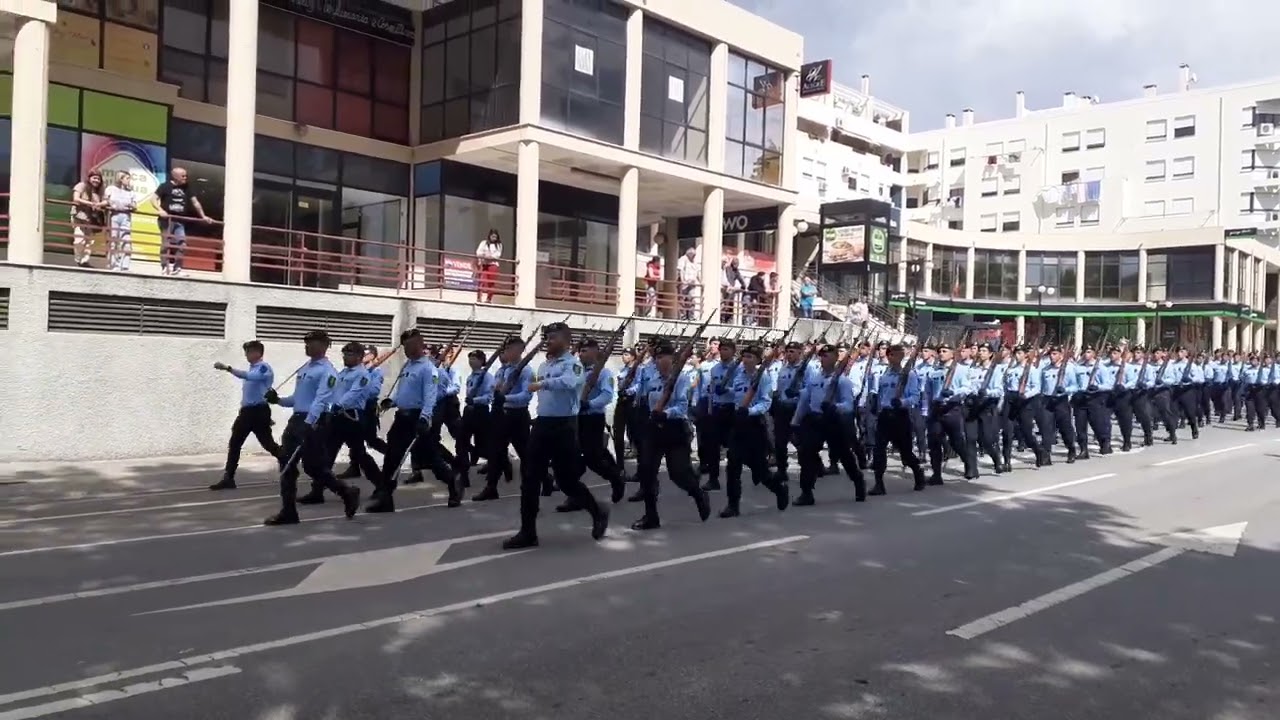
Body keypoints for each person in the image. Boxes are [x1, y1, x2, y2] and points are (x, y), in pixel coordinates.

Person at [501, 322, 609, 550]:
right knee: (530, 478)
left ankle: (597, 510)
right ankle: (528, 532)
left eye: (552, 337)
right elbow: (536, 395)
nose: (548, 341)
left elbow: (570, 383)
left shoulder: (574, 365)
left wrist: (543, 384)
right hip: (542, 425)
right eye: (547, 337)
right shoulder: (543, 365)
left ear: (566, 341)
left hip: (564, 427)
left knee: (567, 481)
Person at [262, 331, 361, 525]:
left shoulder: (328, 372)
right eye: (306, 342)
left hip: (312, 421)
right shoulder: (305, 368)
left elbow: (321, 399)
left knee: (312, 466)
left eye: (311, 342)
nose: (307, 346)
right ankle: (289, 511)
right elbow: (299, 399)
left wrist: (310, 422)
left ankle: (346, 491)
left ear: (324, 345)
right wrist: (278, 400)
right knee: (290, 463)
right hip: (297, 419)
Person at [367, 328, 460, 513]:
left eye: (410, 345)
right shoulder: (408, 366)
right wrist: (391, 401)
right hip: (402, 418)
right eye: (405, 346)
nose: (407, 350)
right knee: (392, 458)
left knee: (432, 460)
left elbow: (430, 396)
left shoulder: (429, 369)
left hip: (418, 418)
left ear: (420, 344)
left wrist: (425, 418)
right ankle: (386, 499)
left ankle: (453, 484)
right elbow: (404, 392)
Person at [629, 339, 711, 531]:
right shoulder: (651, 377)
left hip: (674, 428)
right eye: (656, 357)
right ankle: (651, 516)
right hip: (653, 428)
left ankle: (698, 494)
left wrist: (666, 413)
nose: (659, 361)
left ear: (671, 357)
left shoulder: (681, 378)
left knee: (678, 473)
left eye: (662, 356)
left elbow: (682, 405)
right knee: (647, 472)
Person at [791, 344, 864, 505]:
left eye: (828, 356)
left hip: (833, 421)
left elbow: (848, 405)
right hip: (815, 420)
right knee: (807, 453)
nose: (824, 359)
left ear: (836, 358)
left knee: (844, 454)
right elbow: (805, 401)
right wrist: (796, 422)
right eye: (822, 356)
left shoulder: (842, 381)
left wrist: (834, 407)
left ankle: (858, 481)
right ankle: (806, 492)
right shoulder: (814, 379)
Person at [721, 344, 789, 517]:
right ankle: (733, 505)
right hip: (738, 425)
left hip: (754, 425)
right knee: (733, 465)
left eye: (750, 357)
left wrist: (750, 411)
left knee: (760, 471)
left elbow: (766, 402)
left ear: (758, 360)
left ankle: (779, 489)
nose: (746, 360)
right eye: (744, 356)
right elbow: (737, 395)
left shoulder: (763, 377)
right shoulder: (738, 376)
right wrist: (724, 392)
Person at [561, 338, 628, 510]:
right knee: (571, 458)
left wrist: (589, 404)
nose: (581, 354)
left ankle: (615, 478)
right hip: (576, 418)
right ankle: (575, 496)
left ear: (595, 352)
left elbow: (607, 395)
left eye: (585, 351)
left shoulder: (603, 373)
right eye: (580, 351)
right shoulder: (576, 371)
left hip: (592, 418)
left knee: (593, 458)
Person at [211, 340, 283, 490]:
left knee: (266, 444)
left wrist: (228, 368)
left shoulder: (263, 368)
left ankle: (288, 461)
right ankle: (228, 477)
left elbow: (251, 377)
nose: (246, 355)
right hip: (248, 412)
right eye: (246, 352)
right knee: (236, 442)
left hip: (258, 411)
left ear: (258, 352)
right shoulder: (252, 369)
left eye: (249, 351)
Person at [474, 335, 536, 501]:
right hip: (502, 415)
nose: (507, 352)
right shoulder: (505, 370)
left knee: (525, 453)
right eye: (506, 349)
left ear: (520, 350)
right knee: (496, 452)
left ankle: (540, 481)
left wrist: (506, 398)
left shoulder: (528, 371)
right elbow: (495, 387)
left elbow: (526, 396)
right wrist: (497, 391)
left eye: (510, 349)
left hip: (518, 415)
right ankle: (491, 488)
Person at [871, 344, 927, 494]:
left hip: (900, 416)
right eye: (895, 354)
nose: (899, 357)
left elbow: (915, 397)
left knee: (906, 453)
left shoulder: (909, 374)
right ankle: (878, 484)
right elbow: (881, 395)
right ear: (889, 356)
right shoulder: (885, 374)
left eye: (901, 354)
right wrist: (877, 409)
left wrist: (902, 402)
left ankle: (918, 473)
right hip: (885, 416)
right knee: (879, 450)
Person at [152, 167, 213, 276]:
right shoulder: (165, 186)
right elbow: (153, 199)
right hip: (167, 220)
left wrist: (203, 216)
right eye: (183, 176)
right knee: (166, 244)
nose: (185, 178)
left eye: (185, 175)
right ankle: (164, 268)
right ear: (175, 177)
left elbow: (195, 203)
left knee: (182, 244)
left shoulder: (187, 187)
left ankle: (177, 268)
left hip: (180, 221)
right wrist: (160, 210)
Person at [71, 171, 106, 267]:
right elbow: (76, 198)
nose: (96, 180)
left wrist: (99, 204)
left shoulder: (99, 191)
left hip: (92, 219)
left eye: (98, 179)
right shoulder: (81, 185)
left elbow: (106, 201)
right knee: (79, 239)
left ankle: (84, 261)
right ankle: (78, 260)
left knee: (89, 242)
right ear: (89, 178)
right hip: (80, 216)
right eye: (94, 178)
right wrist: (89, 203)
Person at [104, 171, 137, 271]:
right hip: (114, 215)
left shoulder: (131, 192)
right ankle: (114, 265)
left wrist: (132, 206)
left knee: (126, 240)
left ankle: (125, 265)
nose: (129, 181)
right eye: (127, 178)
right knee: (114, 239)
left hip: (126, 216)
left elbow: (135, 206)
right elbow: (106, 201)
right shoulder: (111, 189)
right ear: (120, 179)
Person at [476, 229, 503, 303]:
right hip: (484, 264)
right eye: (492, 236)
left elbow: (497, 255)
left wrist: (489, 256)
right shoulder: (484, 243)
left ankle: (489, 299)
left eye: (495, 237)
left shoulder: (499, 245)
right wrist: (484, 256)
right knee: (482, 280)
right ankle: (479, 298)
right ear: (490, 236)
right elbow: (478, 252)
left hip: (493, 265)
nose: (494, 238)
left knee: (491, 282)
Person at [676, 244, 700, 320]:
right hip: (685, 284)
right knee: (683, 300)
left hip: (692, 284)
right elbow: (681, 271)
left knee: (692, 300)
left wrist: (700, 281)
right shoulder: (683, 259)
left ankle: (691, 316)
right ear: (689, 254)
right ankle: (683, 317)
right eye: (693, 255)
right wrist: (683, 281)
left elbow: (697, 272)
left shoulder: (694, 262)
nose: (694, 257)